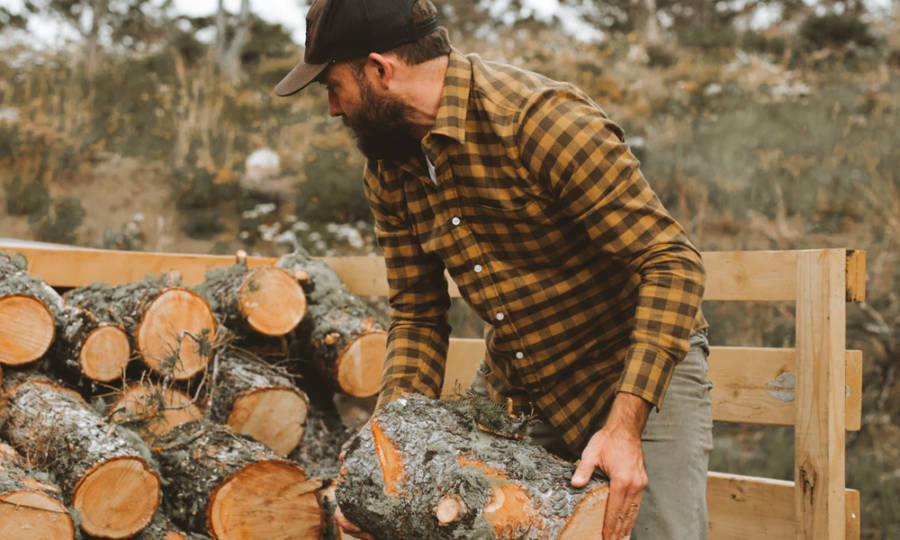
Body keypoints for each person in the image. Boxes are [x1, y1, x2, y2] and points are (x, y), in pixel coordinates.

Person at [274, 1, 712, 538]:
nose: (332, 109)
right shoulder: (387, 168)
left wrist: (624, 425)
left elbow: (670, 262)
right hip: (518, 385)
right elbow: (417, 314)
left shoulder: (540, 120)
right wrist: (386, 453)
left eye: (333, 86)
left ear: (380, 70)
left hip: (630, 371)